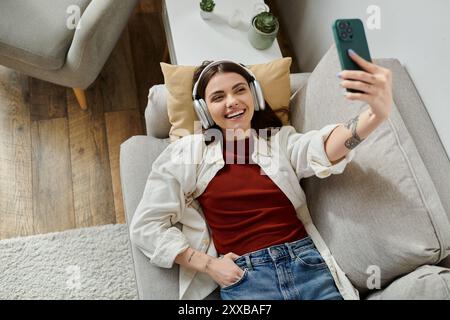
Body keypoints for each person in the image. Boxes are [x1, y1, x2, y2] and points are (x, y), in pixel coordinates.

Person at [130, 50, 393, 300]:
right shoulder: (188, 153)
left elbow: (321, 148)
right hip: (246, 278)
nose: (232, 101)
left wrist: (373, 116)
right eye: (218, 97)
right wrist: (209, 265)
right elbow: (147, 225)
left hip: (308, 265)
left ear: (254, 94)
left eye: (239, 90)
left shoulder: (279, 141)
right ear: (203, 109)